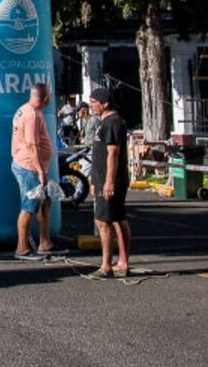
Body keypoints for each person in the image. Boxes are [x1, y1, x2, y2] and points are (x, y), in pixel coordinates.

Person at [11, 83, 67, 260]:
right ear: (45, 98)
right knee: (29, 206)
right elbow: (32, 146)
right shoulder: (31, 116)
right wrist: (41, 172)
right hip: (29, 167)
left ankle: (45, 243)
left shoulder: (26, 110)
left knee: (45, 203)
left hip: (32, 166)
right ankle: (22, 248)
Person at [88, 87, 131, 279]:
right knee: (116, 219)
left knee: (103, 221)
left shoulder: (113, 122)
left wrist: (109, 182)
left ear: (105, 103)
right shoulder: (103, 122)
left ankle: (106, 266)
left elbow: (113, 153)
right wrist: (95, 180)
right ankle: (122, 261)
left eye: (94, 103)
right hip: (101, 179)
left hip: (111, 180)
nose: (91, 106)